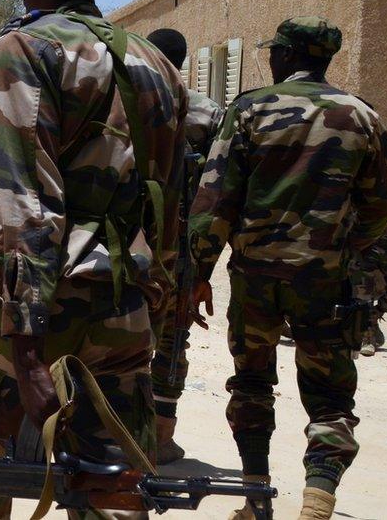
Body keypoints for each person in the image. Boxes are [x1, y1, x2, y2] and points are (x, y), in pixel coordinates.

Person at [0, 0, 187, 517]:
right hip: (125, 303)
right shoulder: (157, 64)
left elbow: (25, 198)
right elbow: (169, 204)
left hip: (41, 306)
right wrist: (155, 305)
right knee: (113, 487)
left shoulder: (24, 47)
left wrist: (27, 353)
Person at [188, 17, 387, 519]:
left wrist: (196, 273)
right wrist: (346, 249)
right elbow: (383, 206)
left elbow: (215, 199)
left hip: (255, 277)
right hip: (326, 281)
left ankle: (256, 500)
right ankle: (315, 507)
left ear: (284, 56)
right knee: (329, 400)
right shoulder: (361, 116)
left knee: (253, 383)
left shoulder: (249, 109)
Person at [145, 27, 225, 464]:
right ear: (183, 58)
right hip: (182, 245)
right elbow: (219, 185)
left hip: (128, 240)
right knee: (174, 339)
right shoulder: (206, 111)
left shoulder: (123, 99)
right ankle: (160, 436)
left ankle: (108, 425)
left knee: (118, 327)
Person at [348, 182, 387, 357]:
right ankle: (367, 338)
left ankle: (375, 316)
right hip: (363, 248)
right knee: (363, 296)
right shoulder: (358, 184)